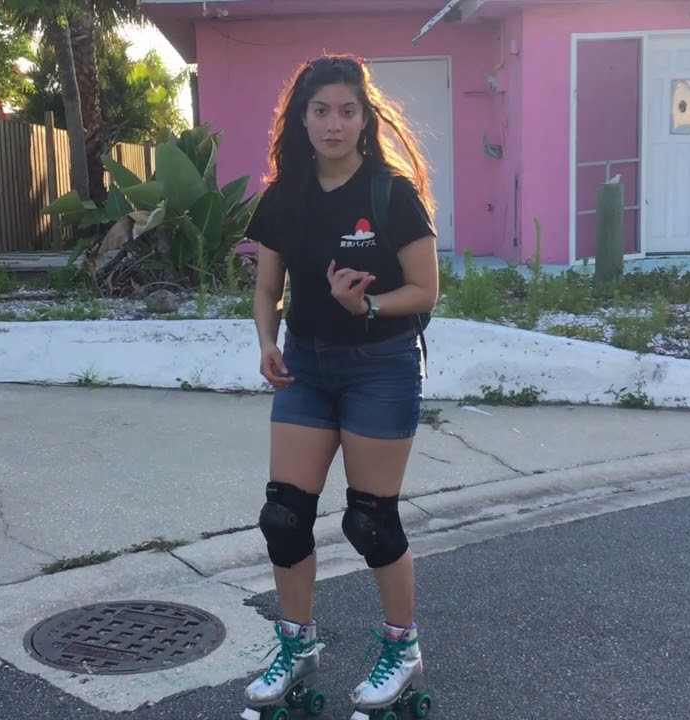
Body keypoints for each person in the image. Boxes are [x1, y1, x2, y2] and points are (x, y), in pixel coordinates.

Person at [240, 53, 439, 719]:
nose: (333, 123)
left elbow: (425, 288)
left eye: (346, 110)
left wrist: (370, 307)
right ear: (301, 119)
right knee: (284, 517)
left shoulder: (391, 193)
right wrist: (268, 342)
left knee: (371, 522)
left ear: (364, 118)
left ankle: (401, 648)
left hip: (380, 367)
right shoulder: (283, 197)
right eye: (320, 110)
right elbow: (268, 288)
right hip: (306, 365)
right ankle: (296, 646)